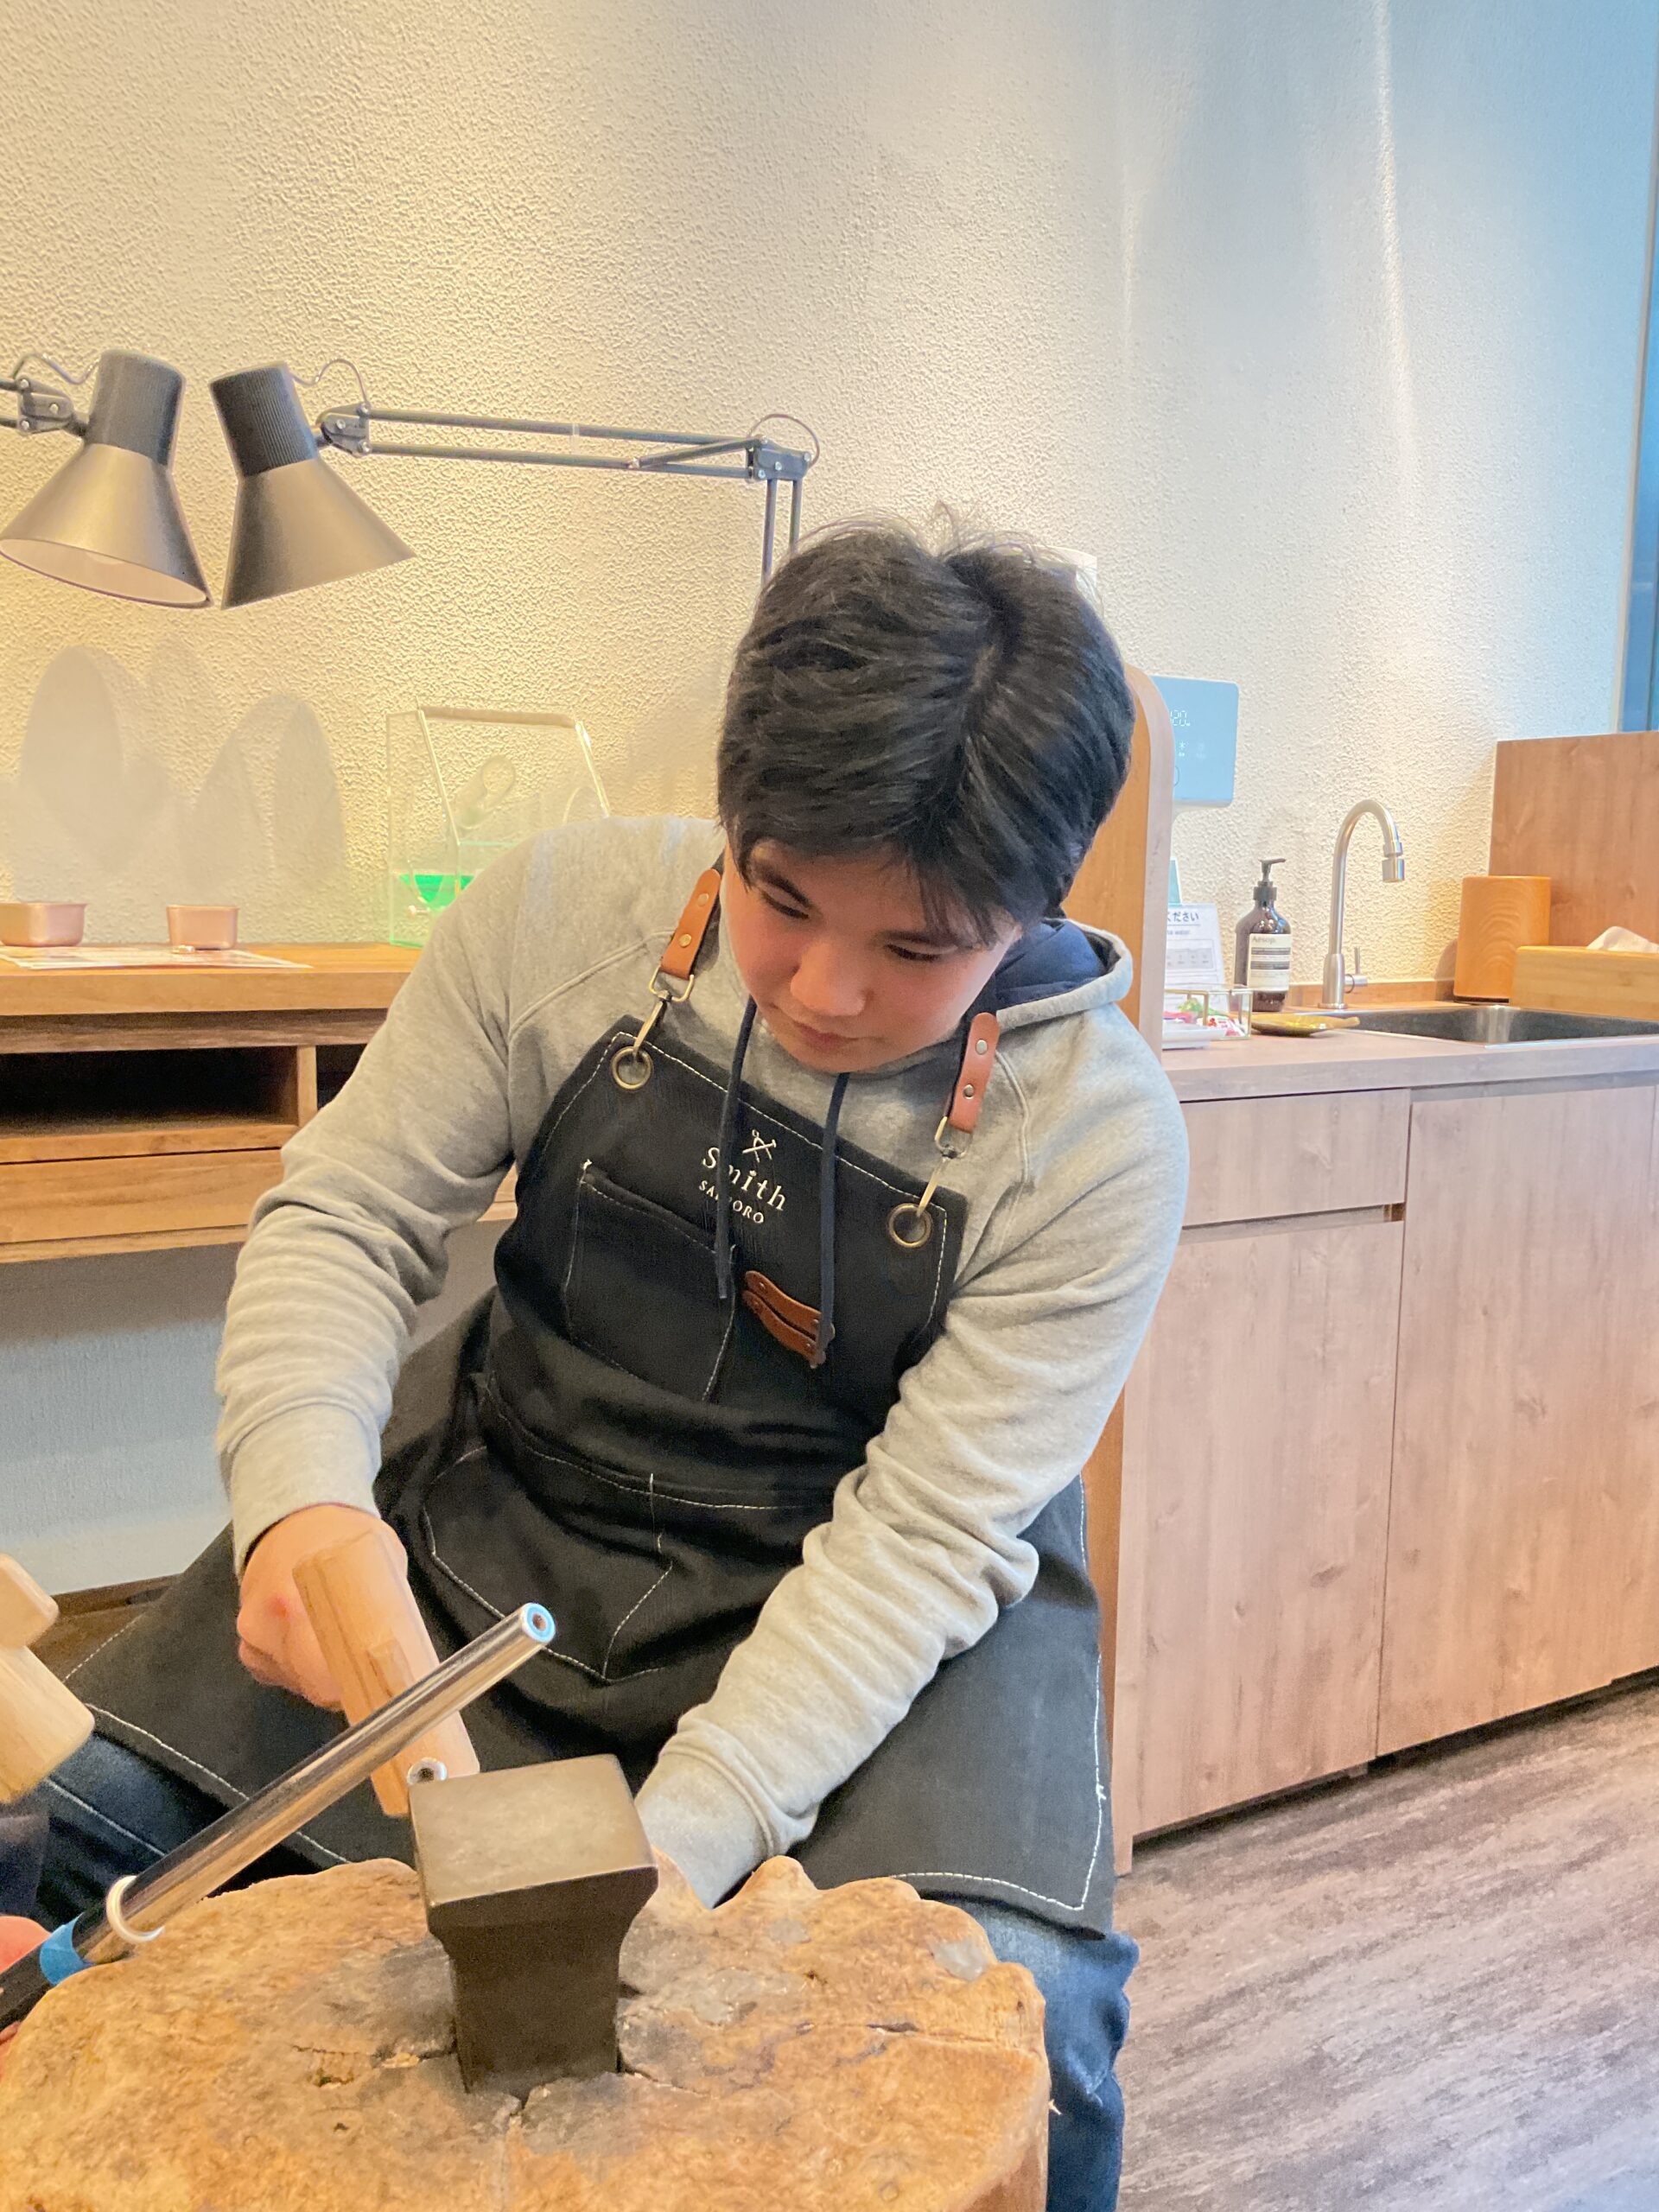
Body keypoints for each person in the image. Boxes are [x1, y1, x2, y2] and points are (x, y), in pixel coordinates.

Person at [29, 521, 1186, 2208]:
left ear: (1032, 905)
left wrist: (680, 1843)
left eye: (918, 947)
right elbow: (349, 1210)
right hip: (516, 1522)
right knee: (97, 1828)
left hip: (874, 1611)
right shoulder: (565, 913)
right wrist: (298, 1501)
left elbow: (920, 1543)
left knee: (1022, 2026)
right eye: (781, 898)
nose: (824, 989)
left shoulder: (1095, 1145)